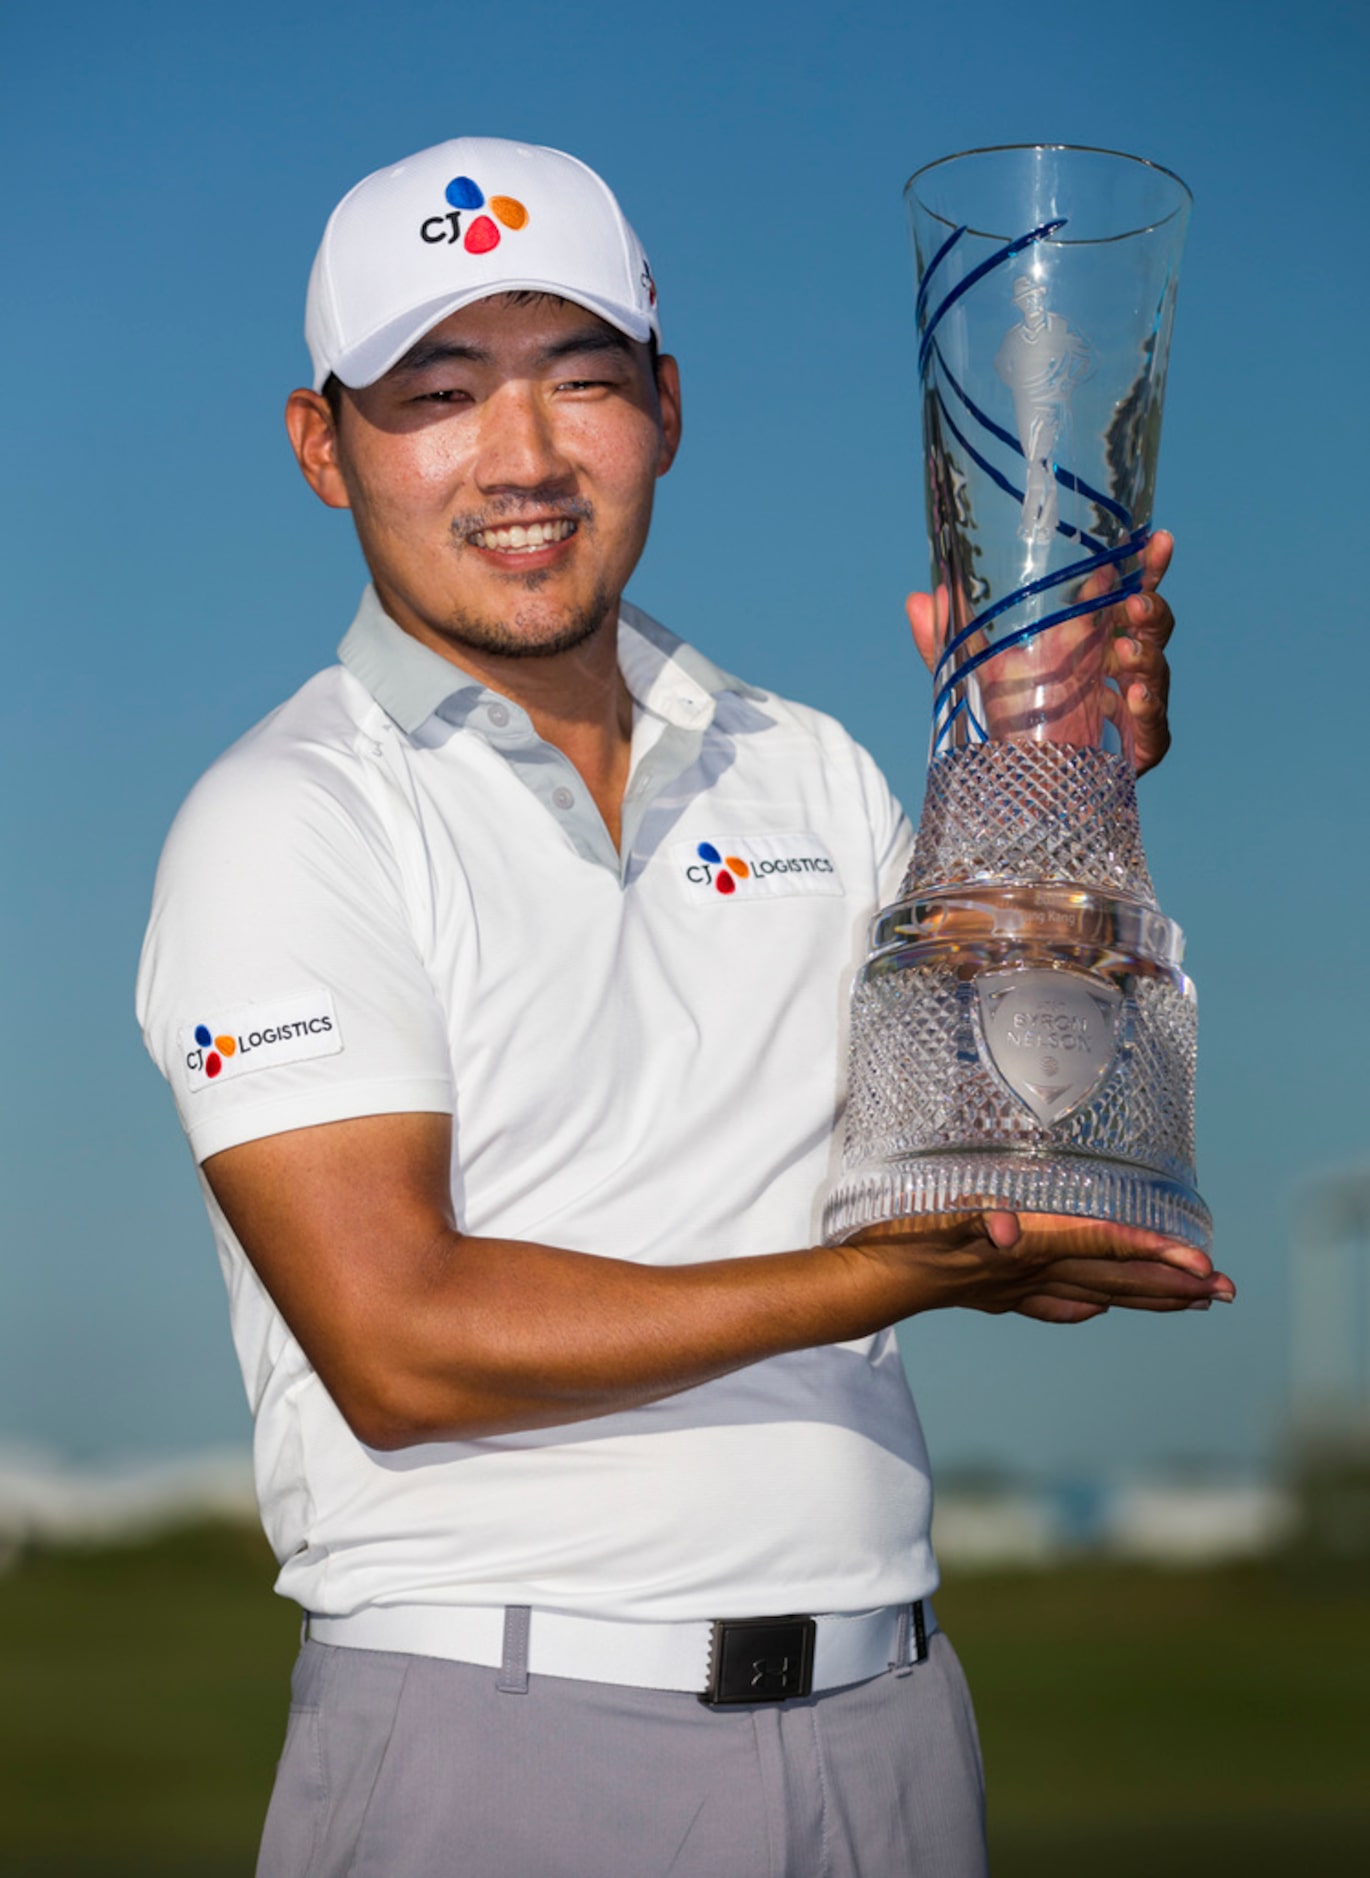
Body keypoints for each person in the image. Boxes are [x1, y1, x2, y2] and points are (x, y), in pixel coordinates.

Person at [136, 136, 1232, 1878]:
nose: (522, 455)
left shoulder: (810, 769)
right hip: (500, 1738)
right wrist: (890, 1278)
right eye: (436, 390)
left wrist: (1053, 780)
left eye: (579, 379)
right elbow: (398, 1341)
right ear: (321, 446)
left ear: (663, 402)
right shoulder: (288, 813)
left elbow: (997, 1162)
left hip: (891, 1722)